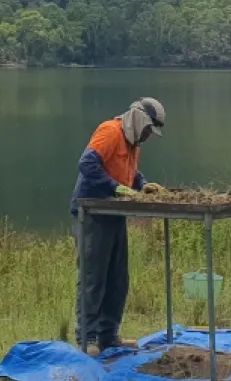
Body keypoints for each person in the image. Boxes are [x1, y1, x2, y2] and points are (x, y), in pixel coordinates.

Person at [69, 97, 167, 354]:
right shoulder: (109, 132)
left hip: (114, 213)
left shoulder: (133, 143)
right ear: (139, 121)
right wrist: (115, 187)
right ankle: (87, 339)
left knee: (117, 278)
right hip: (91, 212)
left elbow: (129, 172)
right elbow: (87, 164)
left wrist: (142, 184)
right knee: (93, 276)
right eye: (148, 129)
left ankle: (108, 335)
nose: (147, 135)